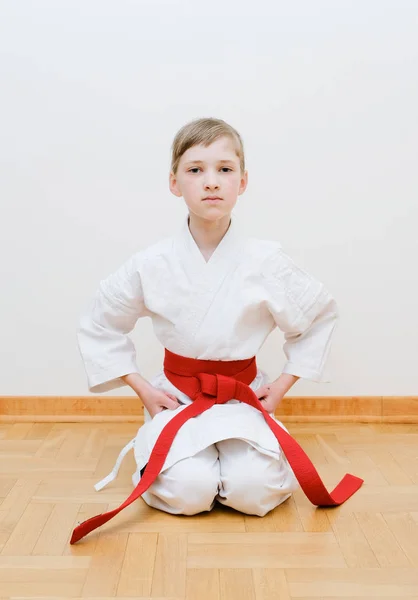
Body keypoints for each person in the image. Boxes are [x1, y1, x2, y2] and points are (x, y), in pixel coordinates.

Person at [73, 117, 358, 544]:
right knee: (189, 492)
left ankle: (229, 463)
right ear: (174, 183)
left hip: (242, 393)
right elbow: (100, 323)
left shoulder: (266, 260)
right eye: (195, 169)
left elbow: (318, 317)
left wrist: (280, 386)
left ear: (243, 182)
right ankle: (165, 455)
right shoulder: (151, 263)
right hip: (176, 393)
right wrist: (144, 391)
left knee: (254, 491)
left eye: (225, 169)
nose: (211, 182)